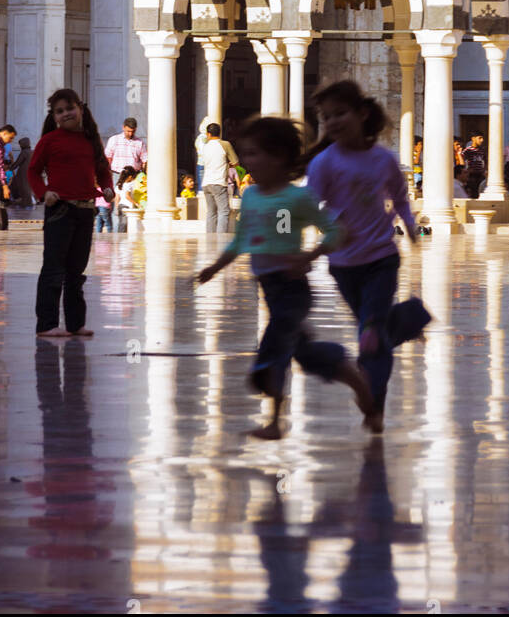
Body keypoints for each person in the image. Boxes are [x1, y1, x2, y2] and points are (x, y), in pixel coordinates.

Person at [196, 115, 373, 441]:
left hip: (293, 290)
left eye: (254, 154)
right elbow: (240, 240)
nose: (248, 162)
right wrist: (215, 267)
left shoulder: (296, 198)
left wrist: (309, 256)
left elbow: (335, 229)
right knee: (303, 354)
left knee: (274, 346)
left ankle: (275, 416)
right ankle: (352, 376)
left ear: (278, 157)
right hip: (270, 288)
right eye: (245, 154)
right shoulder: (250, 197)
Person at [305, 80, 431, 433]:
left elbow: (401, 196)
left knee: (370, 333)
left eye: (340, 113)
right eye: (326, 117)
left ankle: (373, 404)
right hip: (343, 266)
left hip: (381, 259)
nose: (333, 122)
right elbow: (309, 205)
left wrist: (410, 226)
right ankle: (408, 319)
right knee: (372, 330)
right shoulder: (324, 163)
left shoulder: (382, 159)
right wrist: (328, 225)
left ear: (362, 114)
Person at [28, 88, 114, 337]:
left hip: (86, 210)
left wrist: (107, 188)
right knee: (54, 269)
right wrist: (44, 193)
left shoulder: (91, 140)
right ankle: (47, 324)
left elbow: (103, 170)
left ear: (80, 108)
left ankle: (76, 324)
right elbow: (33, 172)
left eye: (69, 108)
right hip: (60, 210)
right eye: (60, 111)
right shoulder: (49, 141)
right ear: (54, 116)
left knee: (76, 271)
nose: (66, 114)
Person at [105, 118, 148, 232]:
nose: (130, 133)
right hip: (117, 174)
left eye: (132, 131)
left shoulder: (139, 143)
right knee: (117, 203)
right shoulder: (114, 140)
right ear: (123, 127)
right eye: (128, 131)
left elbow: (144, 160)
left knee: (129, 202)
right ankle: (116, 231)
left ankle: (127, 230)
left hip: (133, 177)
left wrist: (142, 176)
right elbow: (108, 157)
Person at [201, 123, 239, 236]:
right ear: (220, 133)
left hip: (206, 183)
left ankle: (210, 237)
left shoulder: (205, 146)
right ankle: (220, 238)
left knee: (211, 212)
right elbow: (236, 162)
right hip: (218, 182)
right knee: (224, 211)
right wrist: (229, 164)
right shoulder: (225, 144)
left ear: (208, 134)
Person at [461, 133, 486, 199]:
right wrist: (467, 170)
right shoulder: (468, 150)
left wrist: (484, 170)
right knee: (473, 192)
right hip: (472, 175)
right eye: (479, 138)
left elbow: (485, 160)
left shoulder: (482, 150)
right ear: (473, 138)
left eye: (482, 138)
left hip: (480, 174)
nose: (482, 140)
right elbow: (462, 159)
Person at [11, 137, 33, 207]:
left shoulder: (24, 152)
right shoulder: (31, 151)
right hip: (30, 172)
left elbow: (18, 162)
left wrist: (11, 168)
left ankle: (26, 203)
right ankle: (26, 202)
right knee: (26, 187)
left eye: (21, 144)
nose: (20, 146)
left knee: (23, 187)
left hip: (23, 173)